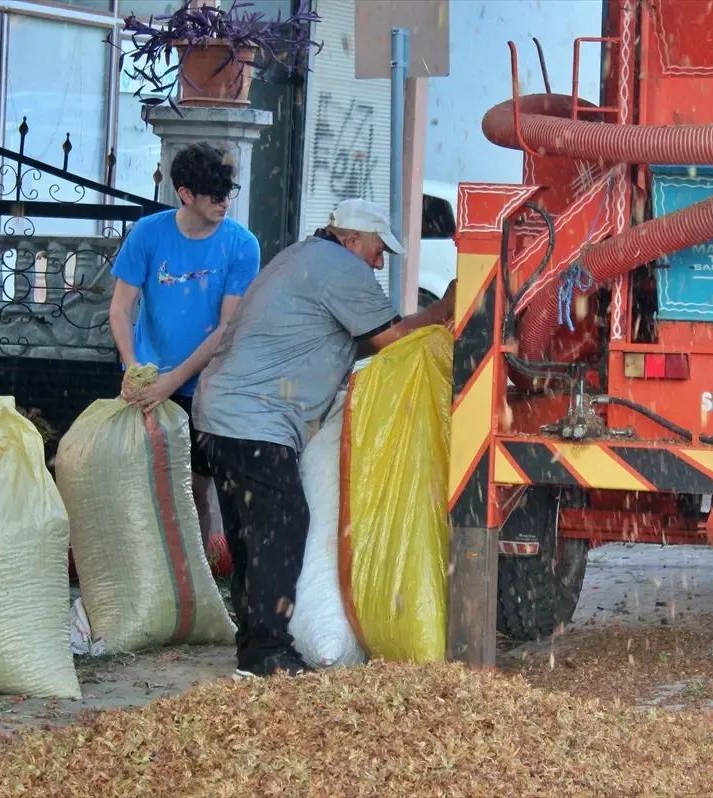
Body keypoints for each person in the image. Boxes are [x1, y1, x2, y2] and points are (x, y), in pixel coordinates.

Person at [192, 198, 456, 678]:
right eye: (377, 251)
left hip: (219, 415)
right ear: (351, 239)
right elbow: (392, 339)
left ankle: (254, 647)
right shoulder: (340, 267)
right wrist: (447, 308)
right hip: (256, 420)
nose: (380, 263)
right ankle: (268, 651)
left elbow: (344, 338)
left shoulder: (300, 257)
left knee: (251, 536)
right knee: (282, 526)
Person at [108, 142, 261, 548]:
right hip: (148, 380)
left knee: (195, 489)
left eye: (228, 192)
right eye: (214, 194)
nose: (224, 202)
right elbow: (121, 309)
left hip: (206, 384)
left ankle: (200, 579)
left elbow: (227, 328)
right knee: (142, 483)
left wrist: (172, 382)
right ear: (185, 193)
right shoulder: (148, 233)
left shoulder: (242, 245)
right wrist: (133, 368)